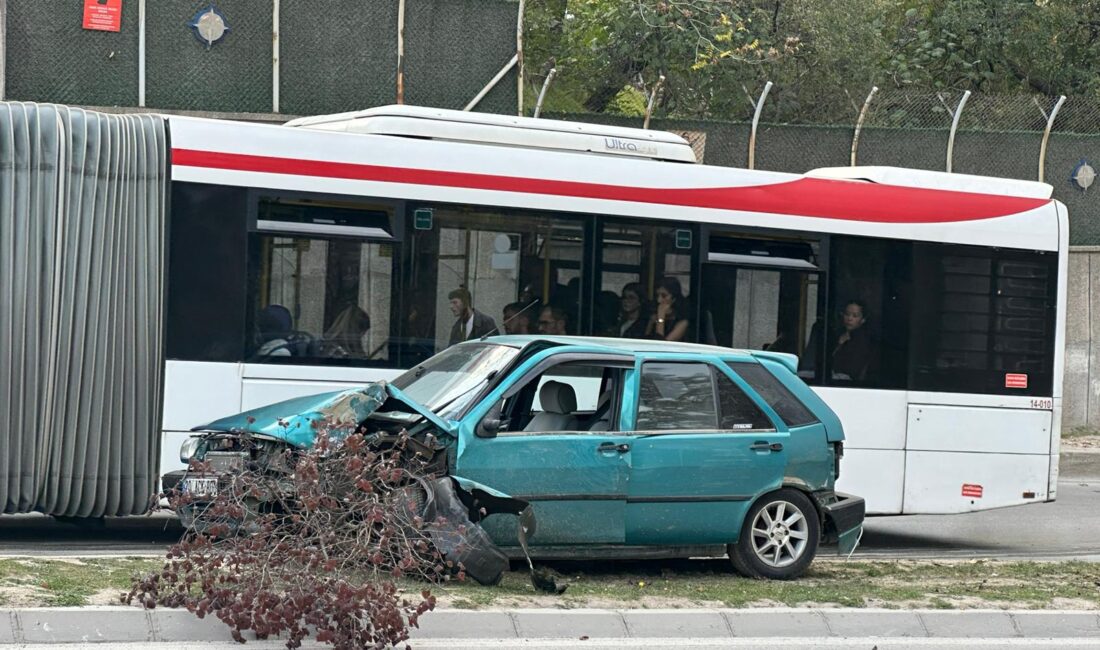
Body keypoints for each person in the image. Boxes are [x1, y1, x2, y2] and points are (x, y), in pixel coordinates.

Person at [831, 300, 875, 381]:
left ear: (863, 319)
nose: (849, 319)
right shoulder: (837, 334)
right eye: (847, 314)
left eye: (855, 316)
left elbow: (851, 368)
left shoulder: (863, 340)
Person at [646, 277, 690, 342]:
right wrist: (650, 323)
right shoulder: (654, 316)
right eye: (657, 296)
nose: (659, 300)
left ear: (674, 298)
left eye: (664, 296)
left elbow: (662, 345)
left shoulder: (682, 322)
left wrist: (661, 318)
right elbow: (645, 341)